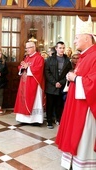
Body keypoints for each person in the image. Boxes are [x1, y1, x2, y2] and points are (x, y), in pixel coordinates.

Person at [56, 15, 96, 170]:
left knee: (83, 136)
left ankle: (84, 165)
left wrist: (76, 78)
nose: (73, 42)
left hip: (86, 109)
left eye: (76, 38)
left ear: (87, 38)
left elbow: (93, 82)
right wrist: (73, 77)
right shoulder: (85, 56)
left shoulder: (94, 56)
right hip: (77, 104)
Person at [14, 41, 45, 124]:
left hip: (33, 83)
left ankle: (35, 120)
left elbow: (39, 70)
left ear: (34, 47)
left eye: (28, 48)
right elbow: (22, 66)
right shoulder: (27, 57)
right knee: (23, 100)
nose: (27, 49)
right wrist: (22, 67)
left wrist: (28, 67)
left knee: (34, 101)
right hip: (24, 83)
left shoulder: (39, 58)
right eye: (26, 48)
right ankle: (23, 119)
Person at [44, 41, 72, 129]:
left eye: (63, 48)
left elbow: (69, 72)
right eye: (60, 48)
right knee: (50, 104)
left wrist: (61, 82)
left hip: (61, 86)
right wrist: (54, 82)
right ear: (56, 49)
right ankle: (49, 121)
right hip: (51, 86)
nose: (62, 50)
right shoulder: (50, 59)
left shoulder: (67, 60)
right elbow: (47, 72)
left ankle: (58, 119)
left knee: (59, 104)